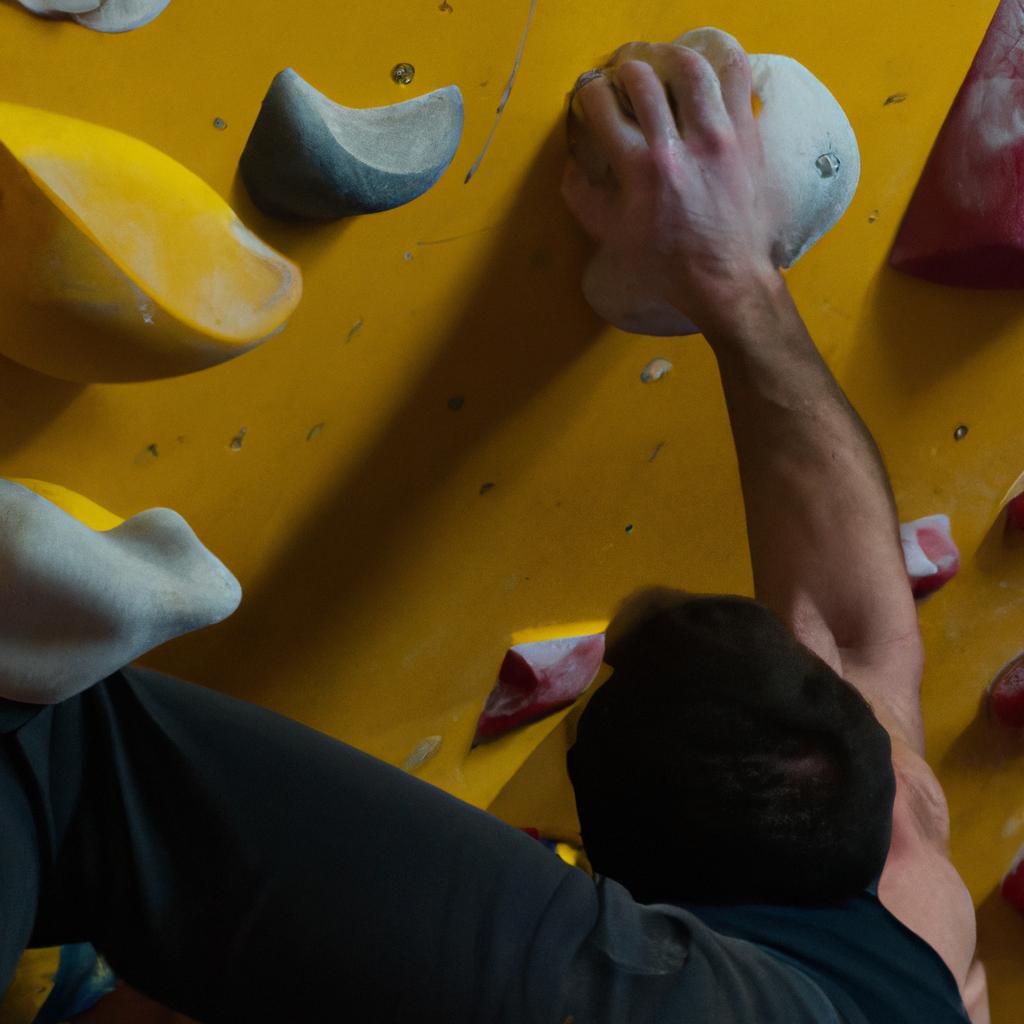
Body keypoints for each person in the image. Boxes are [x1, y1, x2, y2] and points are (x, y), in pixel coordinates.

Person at [0, 38, 989, 1024]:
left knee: (49, 734)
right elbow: (853, 638)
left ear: (617, 891)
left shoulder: (601, 986)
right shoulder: (897, 870)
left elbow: (93, 774)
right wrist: (732, 278)